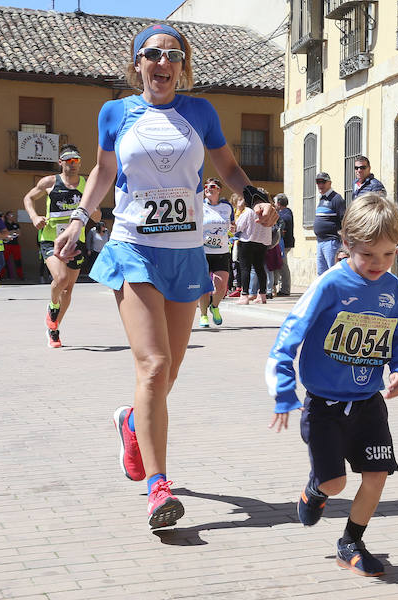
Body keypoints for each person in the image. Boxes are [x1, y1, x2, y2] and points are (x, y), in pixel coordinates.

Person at [53, 23, 277, 530]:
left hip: (186, 253)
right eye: (151, 54)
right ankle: (159, 489)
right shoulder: (116, 112)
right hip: (135, 247)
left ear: (182, 67)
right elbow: (103, 173)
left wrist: (254, 200)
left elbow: (231, 170)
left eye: (172, 56)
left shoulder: (200, 112)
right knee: (153, 366)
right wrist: (79, 220)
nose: (161, 62)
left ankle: (132, 421)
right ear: (137, 64)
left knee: (169, 373)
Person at [267, 192, 398, 578]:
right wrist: (284, 390)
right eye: (369, 255)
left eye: (388, 254)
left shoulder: (392, 288)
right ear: (347, 244)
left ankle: (351, 542)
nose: (379, 264)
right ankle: (316, 489)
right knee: (335, 484)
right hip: (323, 406)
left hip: (368, 402)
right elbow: (289, 334)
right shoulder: (330, 285)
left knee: (376, 476)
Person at [23, 145, 98, 348]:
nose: (73, 164)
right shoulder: (49, 182)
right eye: (68, 160)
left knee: (68, 290)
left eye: (76, 161)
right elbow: (28, 198)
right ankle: (52, 305)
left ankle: (54, 329)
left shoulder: (86, 184)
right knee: (61, 279)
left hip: (75, 241)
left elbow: (97, 213)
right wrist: (34, 216)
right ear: (60, 162)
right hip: (50, 238)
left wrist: (92, 211)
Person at [199, 178, 234, 327]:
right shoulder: (199, 206)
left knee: (221, 286)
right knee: (204, 286)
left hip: (222, 251)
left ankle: (214, 306)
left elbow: (232, 225)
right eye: (206, 186)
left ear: (219, 189)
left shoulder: (226, 207)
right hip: (203, 251)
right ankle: (203, 315)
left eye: (212, 186)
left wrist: (233, 229)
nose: (208, 188)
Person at [235, 189, 272, 305]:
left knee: (245, 268)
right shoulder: (269, 212)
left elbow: (239, 226)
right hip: (262, 243)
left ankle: (244, 295)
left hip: (247, 241)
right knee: (260, 269)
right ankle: (262, 295)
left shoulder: (249, 211)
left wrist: (239, 210)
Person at [313, 172, 345, 275]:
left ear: (329, 183)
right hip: (320, 242)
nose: (320, 185)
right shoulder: (321, 199)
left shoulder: (336, 199)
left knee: (333, 272)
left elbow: (344, 220)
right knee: (321, 274)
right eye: (318, 182)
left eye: (323, 182)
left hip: (331, 242)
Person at [274, 193, 293, 296]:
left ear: (279, 203)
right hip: (281, 243)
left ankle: (285, 289)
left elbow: (284, 221)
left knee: (283, 266)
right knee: (279, 265)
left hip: (284, 244)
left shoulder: (286, 213)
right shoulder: (283, 212)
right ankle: (277, 287)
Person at [2, 211, 23, 280]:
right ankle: (3, 276)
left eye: (13, 215)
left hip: (15, 244)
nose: (12, 216)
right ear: (7, 216)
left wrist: (11, 232)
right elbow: (4, 233)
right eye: (10, 215)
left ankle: (20, 276)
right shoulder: (4, 224)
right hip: (6, 244)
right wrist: (13, 231)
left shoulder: (16, 224)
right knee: (4, 261)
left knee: (18, 260)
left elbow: (19, 233)